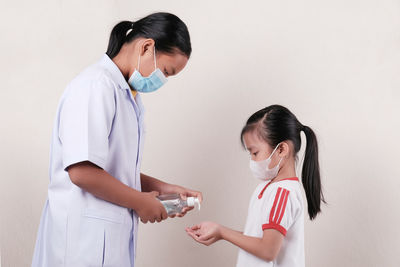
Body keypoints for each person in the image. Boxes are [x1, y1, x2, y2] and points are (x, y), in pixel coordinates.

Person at [32, 12, 202, 267]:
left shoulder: (128, 97)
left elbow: (114, 169)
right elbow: (81, 171)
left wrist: (165, 190)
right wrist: (141, 203)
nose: (162, 81)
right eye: (166, 71)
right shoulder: (95, 86)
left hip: (106, 244)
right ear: (146, 47)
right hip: (80, 246)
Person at [186, 105, 325, 267]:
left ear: (281, 149)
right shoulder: (269, 187)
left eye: (255, 153)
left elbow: (267, 251)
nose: (252, 160)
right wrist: (219, 232)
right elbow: (261, 239)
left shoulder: (283, 194)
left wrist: (222, 232)